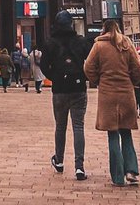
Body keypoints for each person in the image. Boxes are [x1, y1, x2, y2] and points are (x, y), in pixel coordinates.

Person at [84, 18, 140, 187]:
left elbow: (88, 67)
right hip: (126, 92)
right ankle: (131, 170)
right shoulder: (126, 43)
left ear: (103, 29)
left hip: (108, 94)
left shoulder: (99, 46)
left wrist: (98, 80)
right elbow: (139, 69)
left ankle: (118, 176)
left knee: (112, 134)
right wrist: (132, 80)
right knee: (126, 133)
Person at [43, 9, 91, 180]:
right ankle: (79, 166)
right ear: (71, 24)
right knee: (78, 127)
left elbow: (43, 66)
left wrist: (54, 77)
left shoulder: (50, 43)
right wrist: (84, 75)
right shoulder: (80, 41)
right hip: (78, 88)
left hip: (60, 90)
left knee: (60, 126)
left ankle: (60, 160)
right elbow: (91, 60)